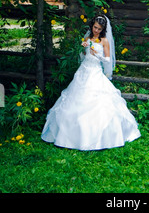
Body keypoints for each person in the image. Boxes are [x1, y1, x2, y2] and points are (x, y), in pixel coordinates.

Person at [41, 14, 141, 151]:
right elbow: (82, 56)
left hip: (95, 71)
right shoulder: (87, 38)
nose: (96, 31)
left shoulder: (105, 41)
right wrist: (83, 48)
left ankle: (100, 138)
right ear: (91, 26)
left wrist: (97, 54)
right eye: (95, 27)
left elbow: (107, 60)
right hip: (83, 71)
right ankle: (69, 137)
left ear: (103, 29)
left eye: (99, 29)